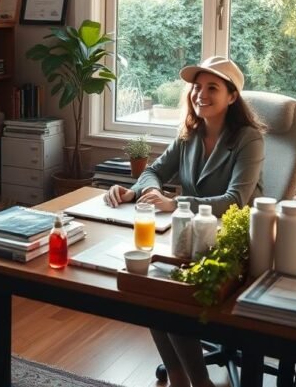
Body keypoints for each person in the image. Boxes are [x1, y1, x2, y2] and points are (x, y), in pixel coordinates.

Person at [104, 55, 265, 387]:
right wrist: (136, 193)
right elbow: (152, 171)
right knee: (150, 284)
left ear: (232, 96)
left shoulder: (248, 138)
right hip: (188, 238)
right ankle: (177, 375)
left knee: (169, 292)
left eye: (212, 88)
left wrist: (174, 202)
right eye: (196, 87)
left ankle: (198, 380)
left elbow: (235, 201)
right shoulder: (189, 134)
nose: (200, 94)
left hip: (233, 244)